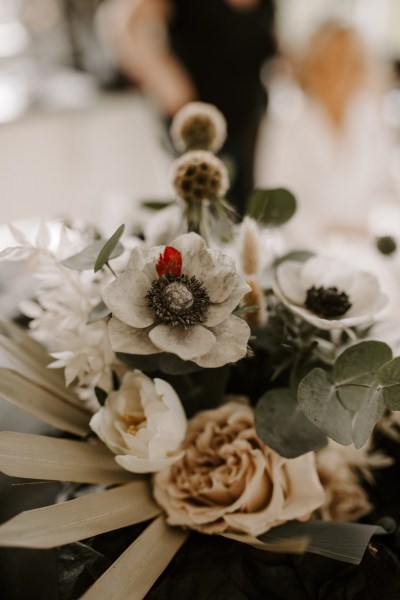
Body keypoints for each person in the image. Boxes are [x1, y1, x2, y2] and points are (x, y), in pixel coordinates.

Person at [96, 0, 277, 213]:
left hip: (248, 121)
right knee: (202, 218)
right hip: (194, 128)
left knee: (246, 214)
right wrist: (164, 80)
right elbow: (120, 24)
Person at [255, 21, 398, 246]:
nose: (337, 73)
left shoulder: (375, 121)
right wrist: (329, 231)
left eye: (347, 63)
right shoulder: (284, 123)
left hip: (368, 246)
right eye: (326, 63)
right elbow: (271, 203)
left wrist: (374, 227)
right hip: (305, 250)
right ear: (310, 68)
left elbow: (389, 193)